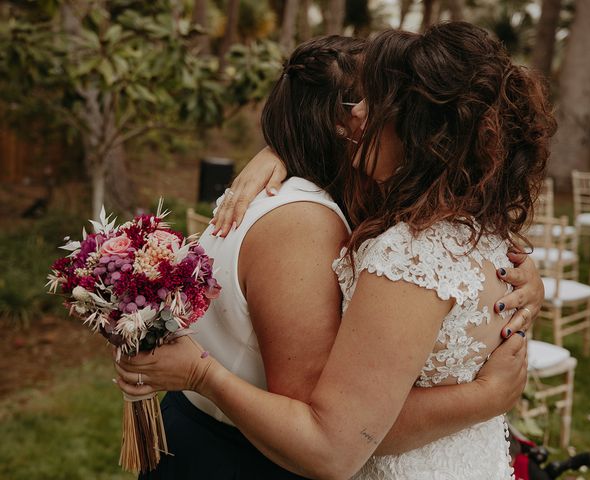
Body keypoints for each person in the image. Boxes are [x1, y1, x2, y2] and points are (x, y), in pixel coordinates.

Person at [117, 24, 552, 479]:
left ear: (417, 125)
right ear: (330, 123)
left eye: (375, 99)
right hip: (239, 453)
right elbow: (326, 431)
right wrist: (485, 398)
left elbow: (334, 432)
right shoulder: (308, 220)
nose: (361, 115)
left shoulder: (415, 234)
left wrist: (526, 284)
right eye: (352, 104)